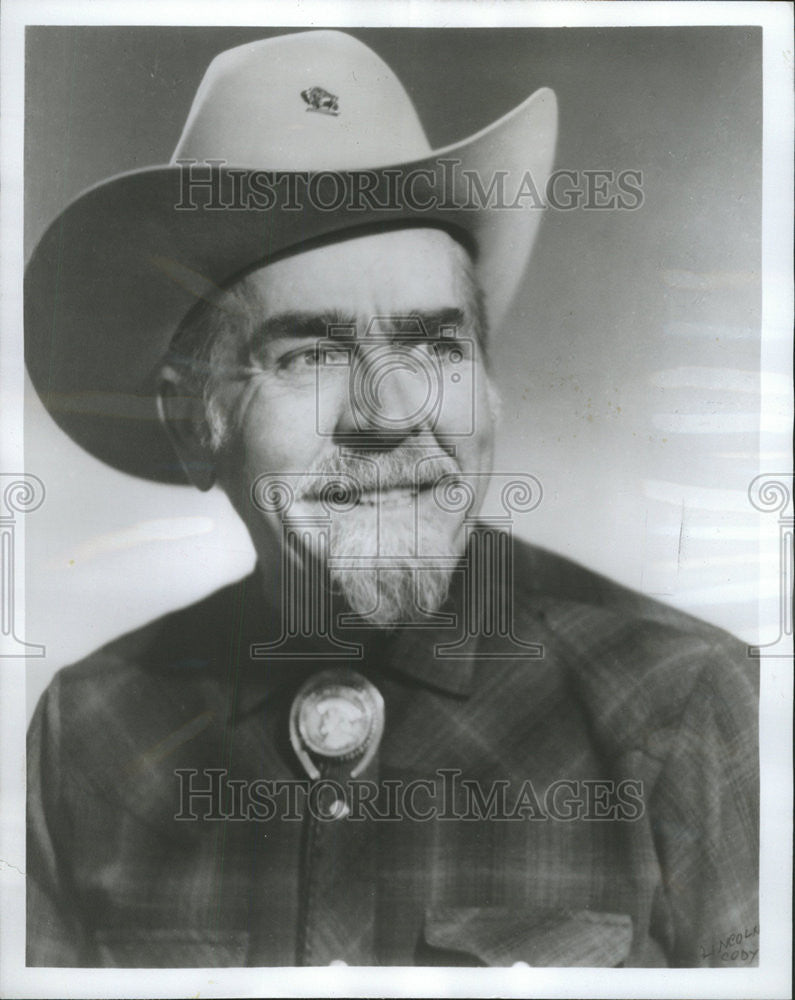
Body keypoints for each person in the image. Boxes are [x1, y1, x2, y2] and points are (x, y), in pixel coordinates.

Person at [25, 30, 758, 968]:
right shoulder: (89, 733)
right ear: (195, 419)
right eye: (310, 355)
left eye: (433, 347)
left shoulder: (688, 707)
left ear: (487, 387)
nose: (389, 411)